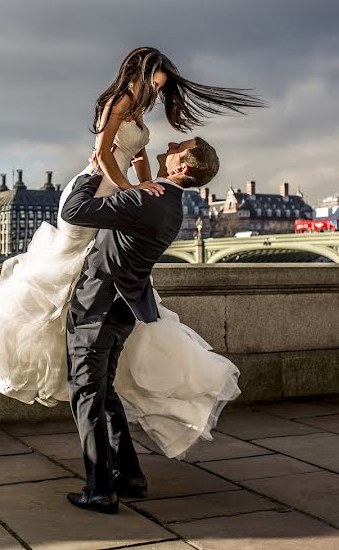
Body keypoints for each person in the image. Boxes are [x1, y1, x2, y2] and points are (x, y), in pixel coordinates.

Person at [0, 47, 262, 459]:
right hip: (98, 184)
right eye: (157, 84)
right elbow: (102, 156)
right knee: (88, 344)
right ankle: (121, 471)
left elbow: (132, 164)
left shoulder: (143, 149)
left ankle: (104, 481)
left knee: (92, 383)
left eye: (162, 88)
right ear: (143, 72)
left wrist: (139, 184)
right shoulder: (124, 111)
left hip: (107, 203)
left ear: (183, 169)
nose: (158, 94)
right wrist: (133, 187)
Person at [61, 140, 220, 513]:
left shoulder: (148, 201)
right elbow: (137, 208)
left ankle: (99, 488)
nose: (171, 143)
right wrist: (140, 173)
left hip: (96, 309)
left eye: (180, 147)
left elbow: (74, 210)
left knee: (86, 395)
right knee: (104, 392)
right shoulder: (168, 203)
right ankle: (129, 475)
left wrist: (96, 170)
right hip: (122, 310)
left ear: (182, 168)